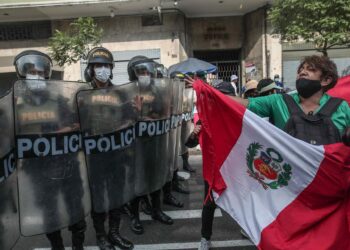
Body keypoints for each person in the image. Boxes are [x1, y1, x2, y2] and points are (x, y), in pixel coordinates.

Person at [14, 50, 86, 250]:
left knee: (75, 207)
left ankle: (78, 245)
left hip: (66, 164)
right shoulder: (15, 105)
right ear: (22, 74)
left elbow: (75, 125)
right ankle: (57, 246)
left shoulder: (59, 101)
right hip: (38, 170)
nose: (36, 76)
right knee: (49, 211)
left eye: (39, 72)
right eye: (31, 72)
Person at [84, 47, 134, 250]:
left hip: (117, 156)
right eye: (98, 65)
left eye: (106, 66)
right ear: (90, 69)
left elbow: (128, 120)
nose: (102, 69)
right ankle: (101, 236)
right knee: (98, 198)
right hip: (94, 158)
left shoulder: (120, 93)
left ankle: (114, 233)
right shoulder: (83, 93)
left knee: (117, 197)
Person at [127, 55, 173, 235]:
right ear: (133, 74)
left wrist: (154, 116)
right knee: (136, 183)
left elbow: (163, 113)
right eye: (140, 72)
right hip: (135, 146)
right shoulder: (127, 92)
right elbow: (120, 119)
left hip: (154, 143)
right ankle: (134, 217)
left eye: (147, 71)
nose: (145, 74)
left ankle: (157, 211)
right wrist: (136, 115)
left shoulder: (157, 92)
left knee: (155, 178)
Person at [197, 81, 236, 250]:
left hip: (236, 169)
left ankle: (252, 229)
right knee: (209, 205)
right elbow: (190, 143)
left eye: (225, 97)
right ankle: (205, 238)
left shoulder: (239, 117)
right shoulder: (206, 118)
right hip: (214, 172)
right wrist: (193, 134)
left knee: (246, 201)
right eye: (217, 96)